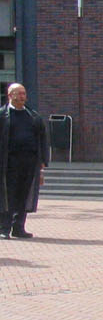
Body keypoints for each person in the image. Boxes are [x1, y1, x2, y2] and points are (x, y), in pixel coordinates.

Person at [0, 83, 50, 239]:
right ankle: (4, 228)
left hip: (29, 162)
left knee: (24, 194)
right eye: (19, 93)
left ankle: (19, 227)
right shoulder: (2, 115)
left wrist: (43, 161)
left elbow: (42, 139)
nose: (23, 96)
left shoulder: (33, 116)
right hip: (8, 163)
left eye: (24, 93)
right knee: (8, 195)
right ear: (10, 95)